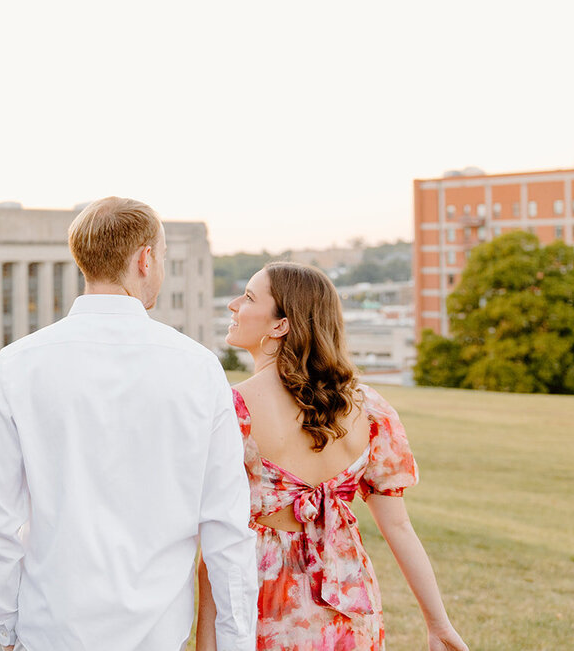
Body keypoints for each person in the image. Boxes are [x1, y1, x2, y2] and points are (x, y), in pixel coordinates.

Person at [0, 197, 259, 651]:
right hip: (157, 632)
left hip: (50, 626)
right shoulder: (199, 369)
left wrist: (6, 626)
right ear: (145, 259)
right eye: (161, 258)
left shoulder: (17, 364)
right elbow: (226, 525)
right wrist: (236, 641)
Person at [197, 262, 467, 651]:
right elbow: (399, 528)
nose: (233, 305)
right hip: (351, 606)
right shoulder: (369, 409)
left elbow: (214, 544)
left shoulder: (232, 409)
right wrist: (438, 624)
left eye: (250, 297)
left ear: (280, 325)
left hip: (265, 604)